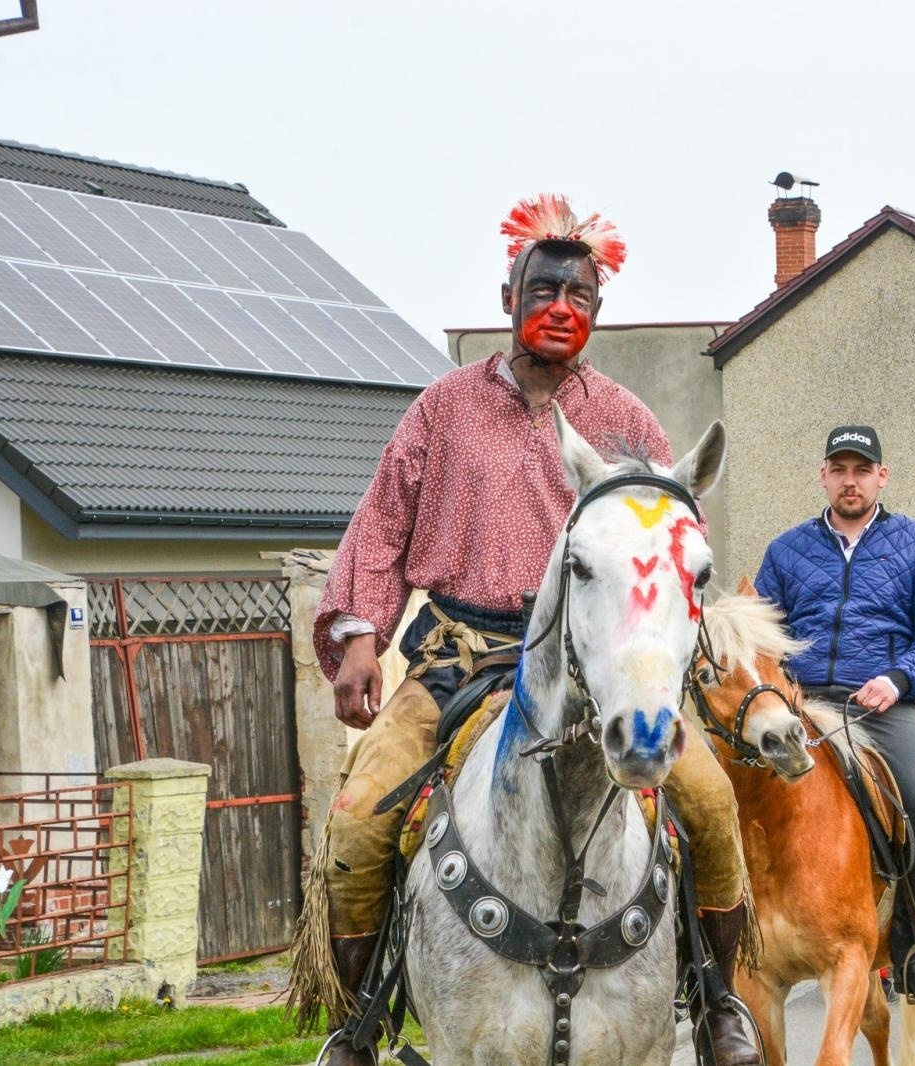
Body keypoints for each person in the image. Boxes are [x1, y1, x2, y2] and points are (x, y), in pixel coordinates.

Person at [287, 195, 761, 1066]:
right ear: (510, 293)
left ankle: (718, 1000)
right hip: (457, 663)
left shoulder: (630, 425)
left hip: (601, 671)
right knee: (357, 820)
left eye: (578, 296)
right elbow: (385, 525)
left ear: (596, 312)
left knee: (710, 800)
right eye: (543, 289)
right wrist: (361, 635)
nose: (560, 308)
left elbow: (661, 556)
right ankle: (360, 1027)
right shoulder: (441, 410)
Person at [755, 425, 915, 1005]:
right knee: (722, 796)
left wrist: (897, 680)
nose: (851, 480)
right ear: (823, 475)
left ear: (881, 477)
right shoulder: (786, 550)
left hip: (882, 706)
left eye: (862, 469)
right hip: (800, 704)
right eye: (840, 469)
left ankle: (913, 947)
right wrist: (779, 687)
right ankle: (712, 950)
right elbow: (763, 634)